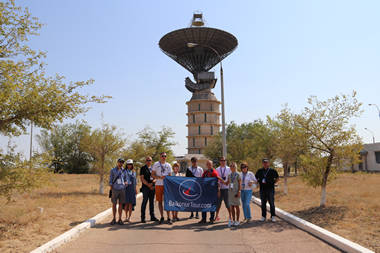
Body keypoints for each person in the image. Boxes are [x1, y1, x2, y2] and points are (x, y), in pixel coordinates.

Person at [152, 152, 173, 224]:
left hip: (166, 185)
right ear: (160, 157)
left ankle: (169, 217)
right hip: (158, 184)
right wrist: (159, 177)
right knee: (160, 201)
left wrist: (166, 177)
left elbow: (170, 175)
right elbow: (152, 174)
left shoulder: (168, 165)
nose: (164, 157)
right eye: (162, 156)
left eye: (165, 156)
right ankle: (162, 217)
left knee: (167, 201)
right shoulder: (156, 164)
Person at [199, 160, 220, 224]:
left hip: (212, 192)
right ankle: (203, 219)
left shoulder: (214, 172)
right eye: (207, 164)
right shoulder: (205, 172)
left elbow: (217, 182)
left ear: (212, 165)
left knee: (211, 205)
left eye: (210, 164)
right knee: (204, 205)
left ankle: (211, 219)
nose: (208, 165)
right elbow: (201, 180)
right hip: (205, 192)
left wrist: (218, 190)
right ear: (206, 165)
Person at [109, 158, 128, 225]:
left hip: (122, 189)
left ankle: (120, 219)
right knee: (114, 204)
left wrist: (126, 183)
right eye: (120, 162)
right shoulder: (113, 170)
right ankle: (114, 218)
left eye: (122, 162)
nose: (121, 163)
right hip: (115, 189)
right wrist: (111, 189)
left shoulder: (124, 171)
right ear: (117, 162)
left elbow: (126, 179)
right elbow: (110, 180)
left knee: (120, 204)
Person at [140, 156, 158, 223]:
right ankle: (142, 217)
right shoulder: (143, 168)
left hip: (152, 187)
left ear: (151, 161)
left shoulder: (154, 168)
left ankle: (152, 217)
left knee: (151, 202)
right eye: (147, 160)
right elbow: (142, 178)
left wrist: (153, 182)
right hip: (145, 187)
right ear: (145, 161)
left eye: (150, 160)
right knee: (144, 202)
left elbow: (156, 177)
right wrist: (148, 184)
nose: (148, 161)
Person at [223, 162, 241, 227]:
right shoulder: (229, 175)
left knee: (237, 206)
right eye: (231, 166)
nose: (232, 167)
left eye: (233, 166)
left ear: (235, 167)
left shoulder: (238, 174)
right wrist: (220, 180)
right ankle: (233, 220)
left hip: (236, 192)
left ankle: (238, 220)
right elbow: (227, 183)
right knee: (232, 207)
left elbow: (240, 184)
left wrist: (239, 191)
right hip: (230, 192)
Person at [215, 156, 232, 221]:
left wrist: (227, 182)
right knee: (218, 203)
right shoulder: (217, 169)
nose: (223, 162)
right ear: (220, 161)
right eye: (221, 160)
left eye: (224, 160)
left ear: (225, 161)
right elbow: (217, 178)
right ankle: (216, 216)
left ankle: (230, 216)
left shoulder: (229, 168)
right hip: (219, 189)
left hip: (226, 188)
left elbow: (231, 177)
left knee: (227, 203)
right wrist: (219, 188)